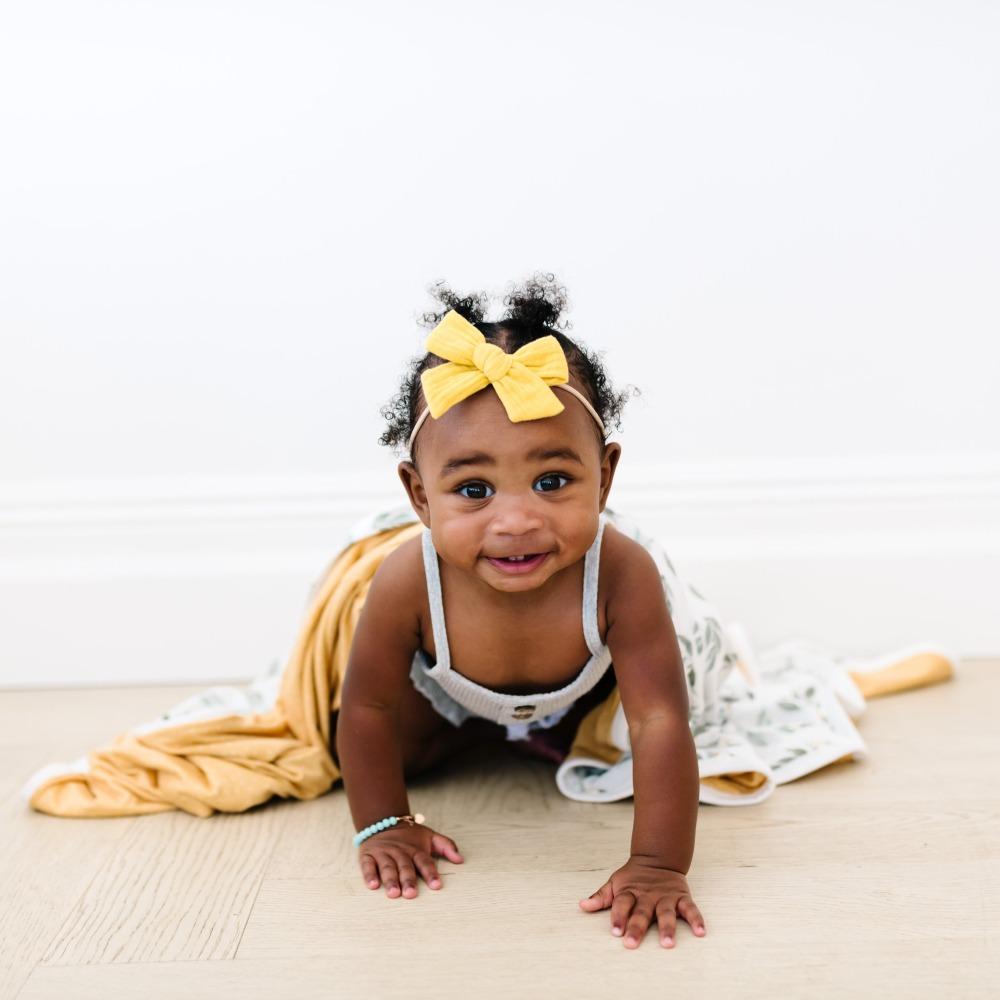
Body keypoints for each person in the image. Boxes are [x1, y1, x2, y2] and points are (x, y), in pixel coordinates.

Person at [332, 273, 707, 950]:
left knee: (625, 747)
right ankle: (478, 736)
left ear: (606, 476)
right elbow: (366, 709)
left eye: (553, 481)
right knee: (394, 748)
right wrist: (382, 823)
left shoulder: (620, 572)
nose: (516, 520)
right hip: (443, 695)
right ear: (419, 496)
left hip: (580, 696)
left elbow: (658, 718)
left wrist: (658, 865)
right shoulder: (407, 580)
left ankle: (540, 738)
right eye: (474, 489)